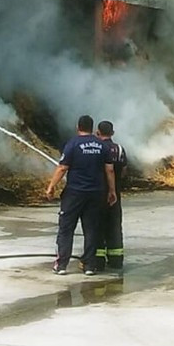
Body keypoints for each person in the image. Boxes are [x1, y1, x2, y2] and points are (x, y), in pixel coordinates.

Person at [44, 115, 116, 276]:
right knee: (91, 229)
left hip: (74, 194)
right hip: (96, 193)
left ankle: (61, 265)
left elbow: (62, 168)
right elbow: (109, 170)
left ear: (78, 127)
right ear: (92, 128)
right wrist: (111, 191)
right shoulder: (102, 146)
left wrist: (51, 187)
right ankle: (89, 266)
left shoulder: (73, 144)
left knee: (66, 229)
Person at [94, 120, 127, 272]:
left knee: (97, 226)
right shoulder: (120, 149)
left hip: (100, 193)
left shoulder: (98, 148)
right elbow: (124, 170)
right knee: (114, 226)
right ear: (112, 133)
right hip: (116, 195)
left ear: (97, 132)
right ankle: (116, 260)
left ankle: (97, 261)